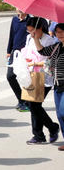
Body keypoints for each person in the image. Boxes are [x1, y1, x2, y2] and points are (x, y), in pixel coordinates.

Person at [21, 17, 59, 145]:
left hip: (44, 76)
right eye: (29, 31)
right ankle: (45, 131)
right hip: (31, 74)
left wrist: (35, 63)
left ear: (40, 28)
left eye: (33, 31)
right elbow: (27, 52)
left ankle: (44, 132)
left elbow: (49, 60)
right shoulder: (29, 38)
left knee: (35, 105)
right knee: (32, 105)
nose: (31, 34)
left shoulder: (50, 41)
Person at [32, 22, 64, 151]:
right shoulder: (57, 47)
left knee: (63, 112)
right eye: (57, 32)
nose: (60, 34)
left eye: (62, 32)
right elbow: (42, 51)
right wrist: (35, 38)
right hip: (57, 85)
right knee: (60, 115)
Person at [6, 10, 31, 112]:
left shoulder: (31, 20)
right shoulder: (14, 19)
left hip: (26, 53)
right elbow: (11, 35)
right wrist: (9, 51)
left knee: (25, 77)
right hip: (15, 52)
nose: (19, 9)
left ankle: (27, 102)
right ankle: (21, 99)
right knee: (10, 76)